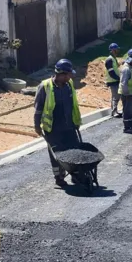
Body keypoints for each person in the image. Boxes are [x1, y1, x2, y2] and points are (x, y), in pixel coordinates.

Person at [34, 59, 81, 187]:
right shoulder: (45, 86)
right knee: (57, 155)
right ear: (61, 74)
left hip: (69, 125)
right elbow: (38, 108)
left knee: (75, 150)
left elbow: (73, 105)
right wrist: (37, 125)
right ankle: (59, 178)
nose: (70, 77)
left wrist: (76, 121)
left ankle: (76, 175)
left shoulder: (69, 84)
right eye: (68, 74)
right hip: (53, 128)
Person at [105, 43, 122, 118]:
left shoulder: (113, 58)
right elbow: (111, 72)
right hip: (113, 81)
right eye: (116, 49)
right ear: (113, 50)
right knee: (115, 96)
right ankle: (114, 111)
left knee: (116, 96)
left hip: (115, 80)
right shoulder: (109, 60)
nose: (118, 50)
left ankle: (115, 110)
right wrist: (118, 78)